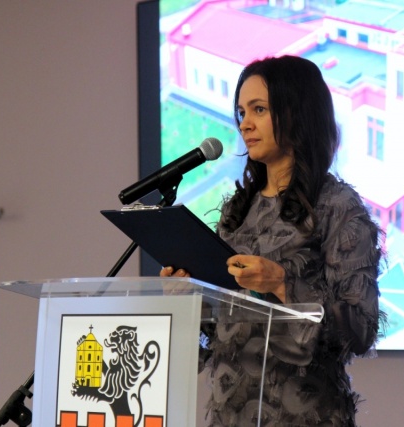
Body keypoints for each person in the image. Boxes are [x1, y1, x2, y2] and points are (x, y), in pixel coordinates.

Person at [160, 55, 384, 426]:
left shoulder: (337, 206)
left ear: (297, 114)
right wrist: (189, 299)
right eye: (241, 112)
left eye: (259, 110)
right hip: (232, 413)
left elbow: (360, 329)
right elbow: (216, 333)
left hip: (306, 416)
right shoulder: (237, 210)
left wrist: (282, 284)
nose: (244, 124)